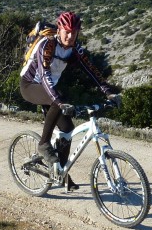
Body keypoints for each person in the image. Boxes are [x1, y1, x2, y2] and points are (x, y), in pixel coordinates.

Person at [20, 11, 118, 191]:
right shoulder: (47, 45)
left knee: (67, 129)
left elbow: (91, 70)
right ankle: (43, 144)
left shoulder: (74, 49)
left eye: (74, 32)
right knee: (61, 100)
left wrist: (108, 91)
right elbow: (44, 75)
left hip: (49, 89)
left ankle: (62, 174)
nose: (70, 36)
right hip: (30, 85)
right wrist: (58, 100)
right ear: (59, 30)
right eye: (66, 31)